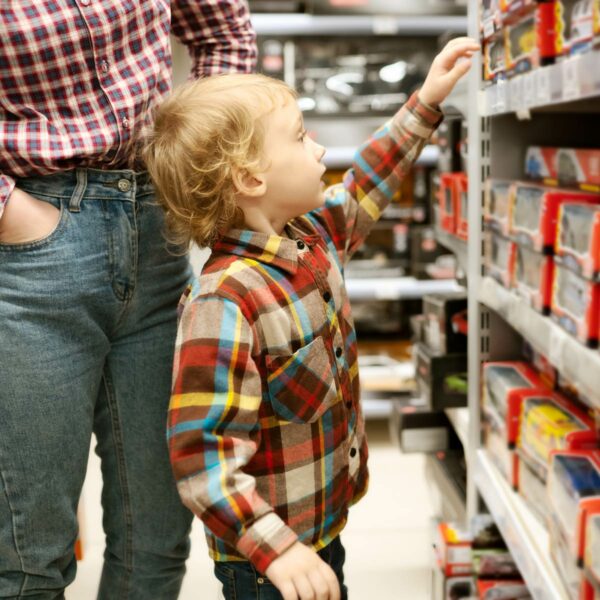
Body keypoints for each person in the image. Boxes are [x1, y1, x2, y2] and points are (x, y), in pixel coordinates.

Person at [144, 37, 479, 600]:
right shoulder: (224, 303)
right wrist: (278, 551)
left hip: (322, 527)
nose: (319, 147)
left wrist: (427, 100)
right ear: (251, 179)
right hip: (268, 563)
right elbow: (202, 458)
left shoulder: (311, 236)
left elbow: (366, 182)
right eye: (300, 137)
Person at [0, 2, 256, 599]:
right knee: (28, 556)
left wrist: (198, 155)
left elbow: (221, 27)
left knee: (157, 542)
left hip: (157, 226)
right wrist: (11, 214)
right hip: (30, 246)